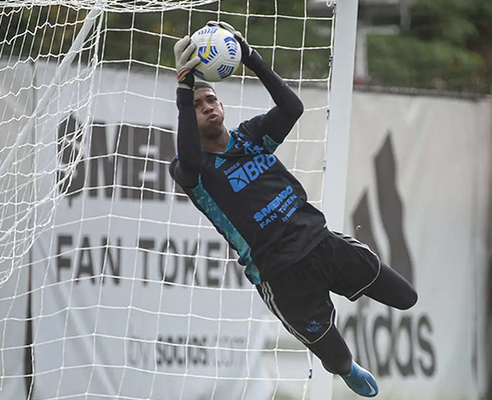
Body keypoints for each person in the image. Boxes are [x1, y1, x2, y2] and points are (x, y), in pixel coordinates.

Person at [170, 21, 418, 398]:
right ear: (190, 117)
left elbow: (292, 107)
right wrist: (184, 85)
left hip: (321, 244)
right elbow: (187, 155)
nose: (206, 108)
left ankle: (344, 354)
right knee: (336, 360)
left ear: (222, 104)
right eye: (197, 107)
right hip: (281, 275)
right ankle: (346, 368)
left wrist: (251, 57)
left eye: (210, 100)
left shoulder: (251, 137)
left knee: (406, 298)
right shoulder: (193, 170)